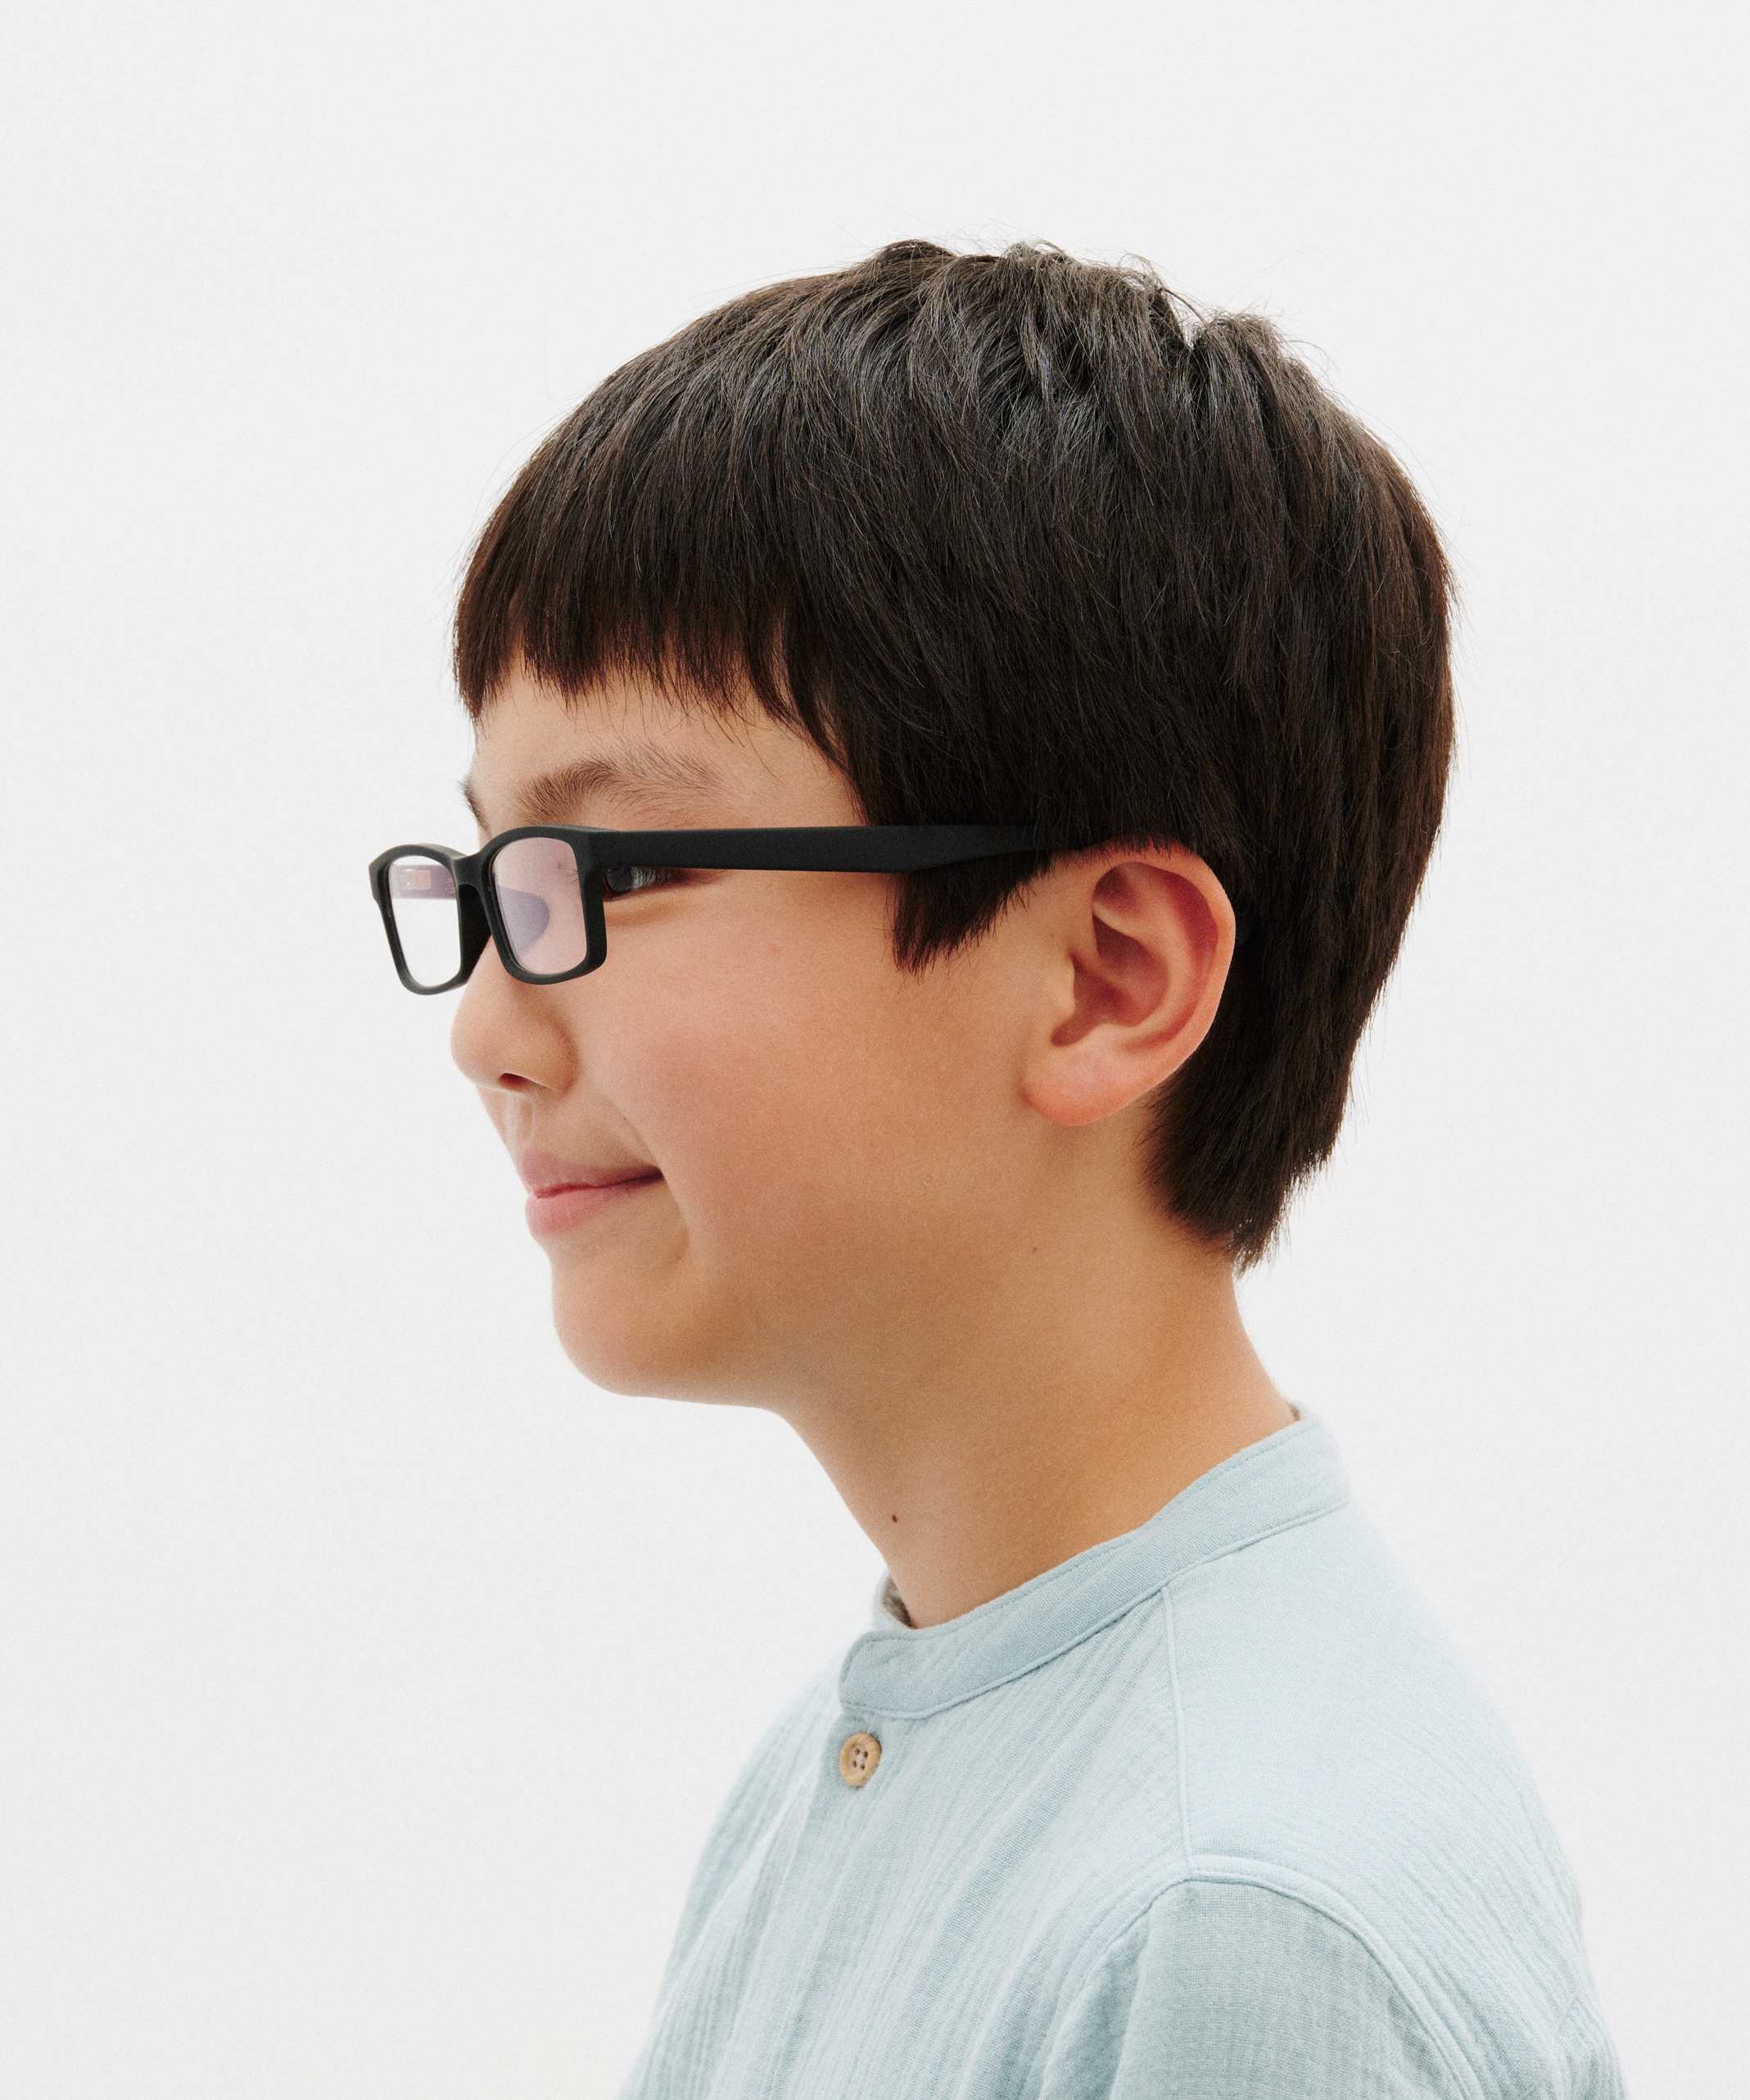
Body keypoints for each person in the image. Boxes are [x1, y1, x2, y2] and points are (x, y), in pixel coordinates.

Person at [371, 242, 1623, 2097]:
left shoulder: (1227, 1916)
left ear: (1108, 977)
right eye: (491, 882)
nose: (487, 1026)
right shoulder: (882, 1748)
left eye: (612, 873)